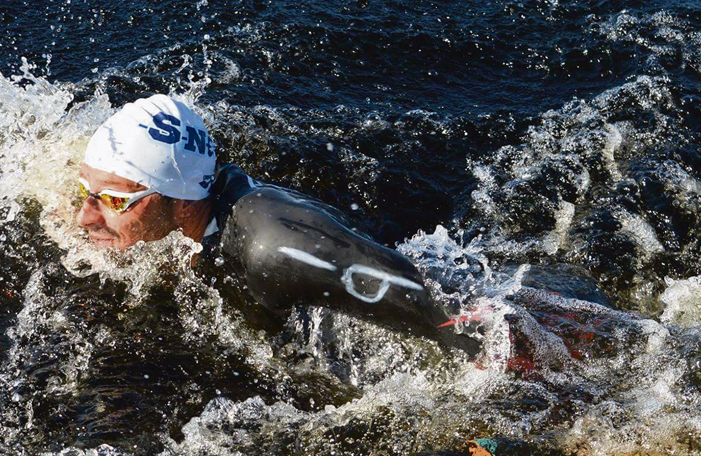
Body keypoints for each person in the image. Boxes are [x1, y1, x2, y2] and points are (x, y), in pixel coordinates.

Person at [75, 94, 483, 356]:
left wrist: (507, 352)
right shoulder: (176, 204)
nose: (85, 217)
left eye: (114, 201)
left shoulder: (271, 248)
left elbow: (437, 300)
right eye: (85, 190)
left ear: (181, 203)